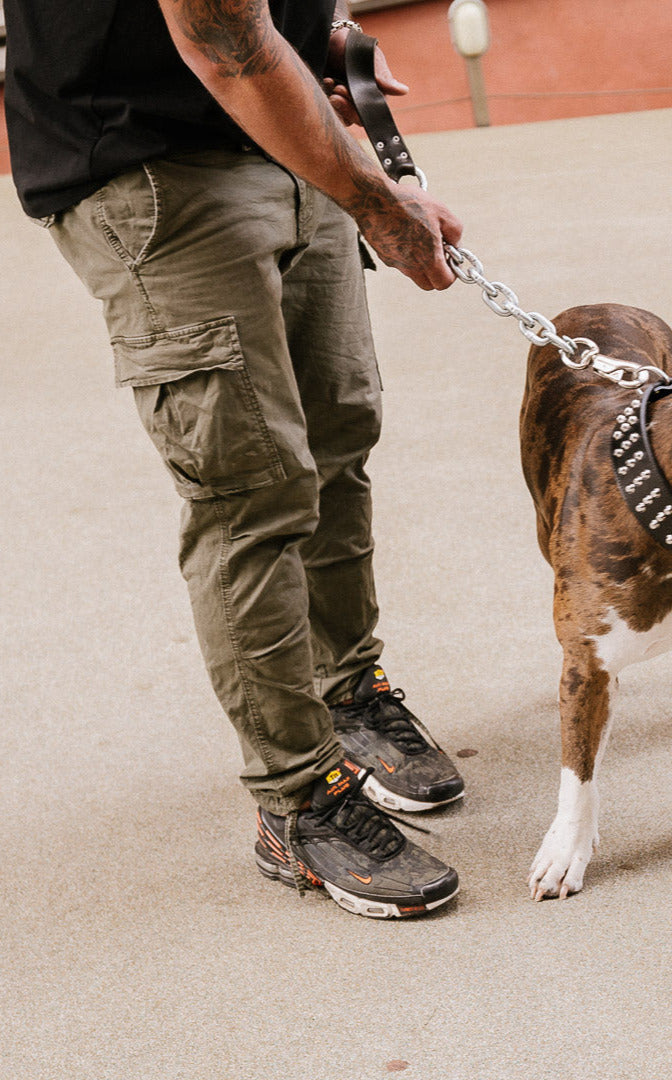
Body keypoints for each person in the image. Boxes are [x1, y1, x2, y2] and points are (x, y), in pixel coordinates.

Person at [4, 0, 467, 919]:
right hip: (149, 168)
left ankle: (346, 694)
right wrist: (379, 203)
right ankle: (297, 802)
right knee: (251, 492)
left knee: (339, 441)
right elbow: (226, 40)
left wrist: (319, 31)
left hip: (282, 129)